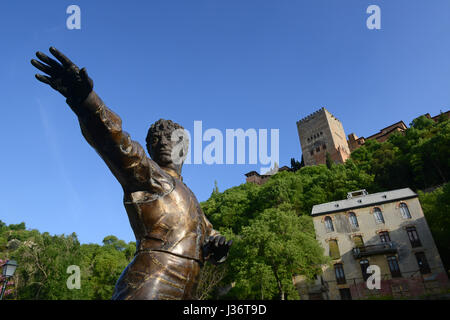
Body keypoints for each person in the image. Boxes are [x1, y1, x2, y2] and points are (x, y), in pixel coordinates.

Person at [31, 47, 232, 300]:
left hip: (189, 288)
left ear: (185, 149)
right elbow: (115, 143)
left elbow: (209, 236)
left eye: (172, 139)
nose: (164, 143)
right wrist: (86, 101)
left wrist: (218, 246)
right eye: (157, 140)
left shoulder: (191, 198)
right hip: (153, 280)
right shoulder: (150, 176)